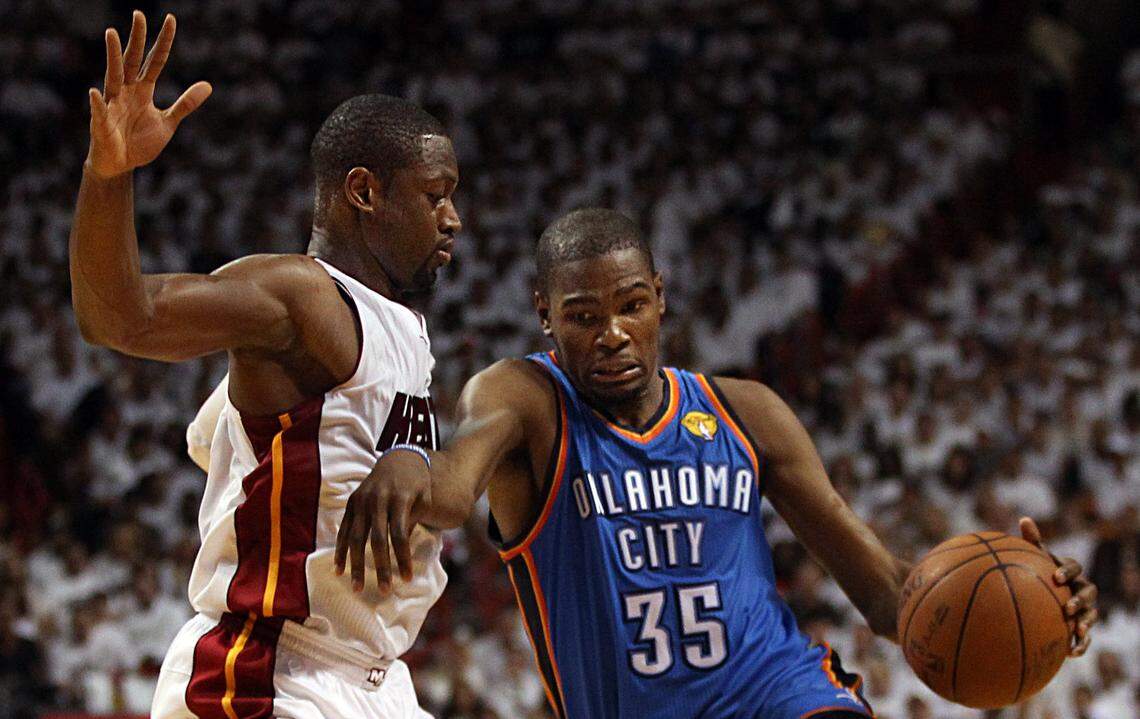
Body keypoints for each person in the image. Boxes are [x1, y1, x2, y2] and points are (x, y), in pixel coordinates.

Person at [338, 208, 1100, 718]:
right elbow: (448, 491)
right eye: (583, 315)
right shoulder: (527, 398)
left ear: (661, 299)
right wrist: (408, 452)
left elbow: (887, 593)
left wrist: (1033, 603)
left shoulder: (745, 411)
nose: (612, 333)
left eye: (631, 305)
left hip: (779, 694)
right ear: (544, 314)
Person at [69, 10, 460, 718]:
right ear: (365, 192)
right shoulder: (299, 295)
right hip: (266, 673)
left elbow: (224, 442)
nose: (454, 218)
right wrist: (110, 175)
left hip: (371, 676)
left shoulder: (401, 324)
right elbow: (120, 317)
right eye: (436, 196)